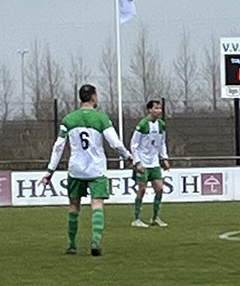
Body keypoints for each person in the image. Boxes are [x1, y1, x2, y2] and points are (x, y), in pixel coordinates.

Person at [39, 84, 138, 256]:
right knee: (97, 204)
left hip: (76, 169)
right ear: (93, 97)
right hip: (96, 169)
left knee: (73, 205)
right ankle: (95, 242)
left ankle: (72, 245)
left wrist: (50, 171)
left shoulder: (69, 119)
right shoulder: (101, 119)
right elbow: (115, 143)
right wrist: (127, 156)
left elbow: (58, 146)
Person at [130, 99, 171, 228]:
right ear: (149, 110)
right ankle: (136, 218)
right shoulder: (142, 125)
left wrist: (164, 158)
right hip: (143, 162)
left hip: (154, 163)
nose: (159, 110)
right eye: (156, 108)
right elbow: (134, 145)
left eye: (159, 108)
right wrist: (137, 162)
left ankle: (155, 217)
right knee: (142, 189)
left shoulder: (161, 125)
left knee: (159, 189)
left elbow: (162, 143)